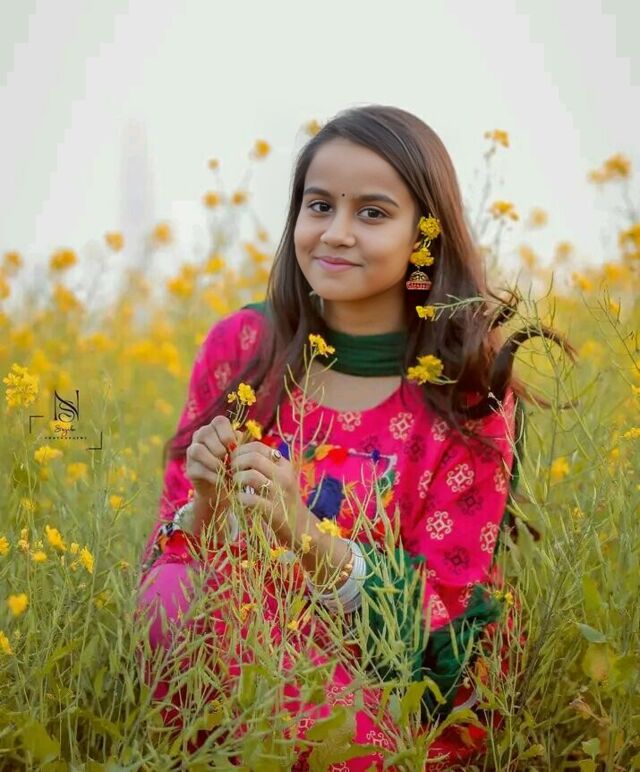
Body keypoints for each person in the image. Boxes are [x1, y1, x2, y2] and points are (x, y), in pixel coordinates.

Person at [135, 104, 572, 769]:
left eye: (371, 212)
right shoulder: (245, 348)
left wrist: (304, 535)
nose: (335, 233)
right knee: (173, 593)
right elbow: (163, 576)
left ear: (424, 237)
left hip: (393, 697)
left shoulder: (466, 387)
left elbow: (445, 616)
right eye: (319, 206)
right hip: (242, 661)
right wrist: (207, 508)